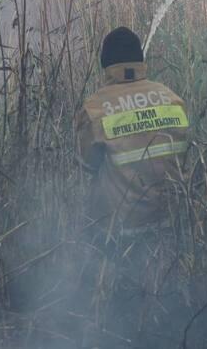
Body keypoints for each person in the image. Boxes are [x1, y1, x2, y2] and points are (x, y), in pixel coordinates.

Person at [74, 26, 191, 345]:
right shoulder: (172, 98)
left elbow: (88, 164)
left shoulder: (96, 107)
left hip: (119, 227)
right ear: (140, 61)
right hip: (167, 220)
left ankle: (100, 314)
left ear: (106, 66)